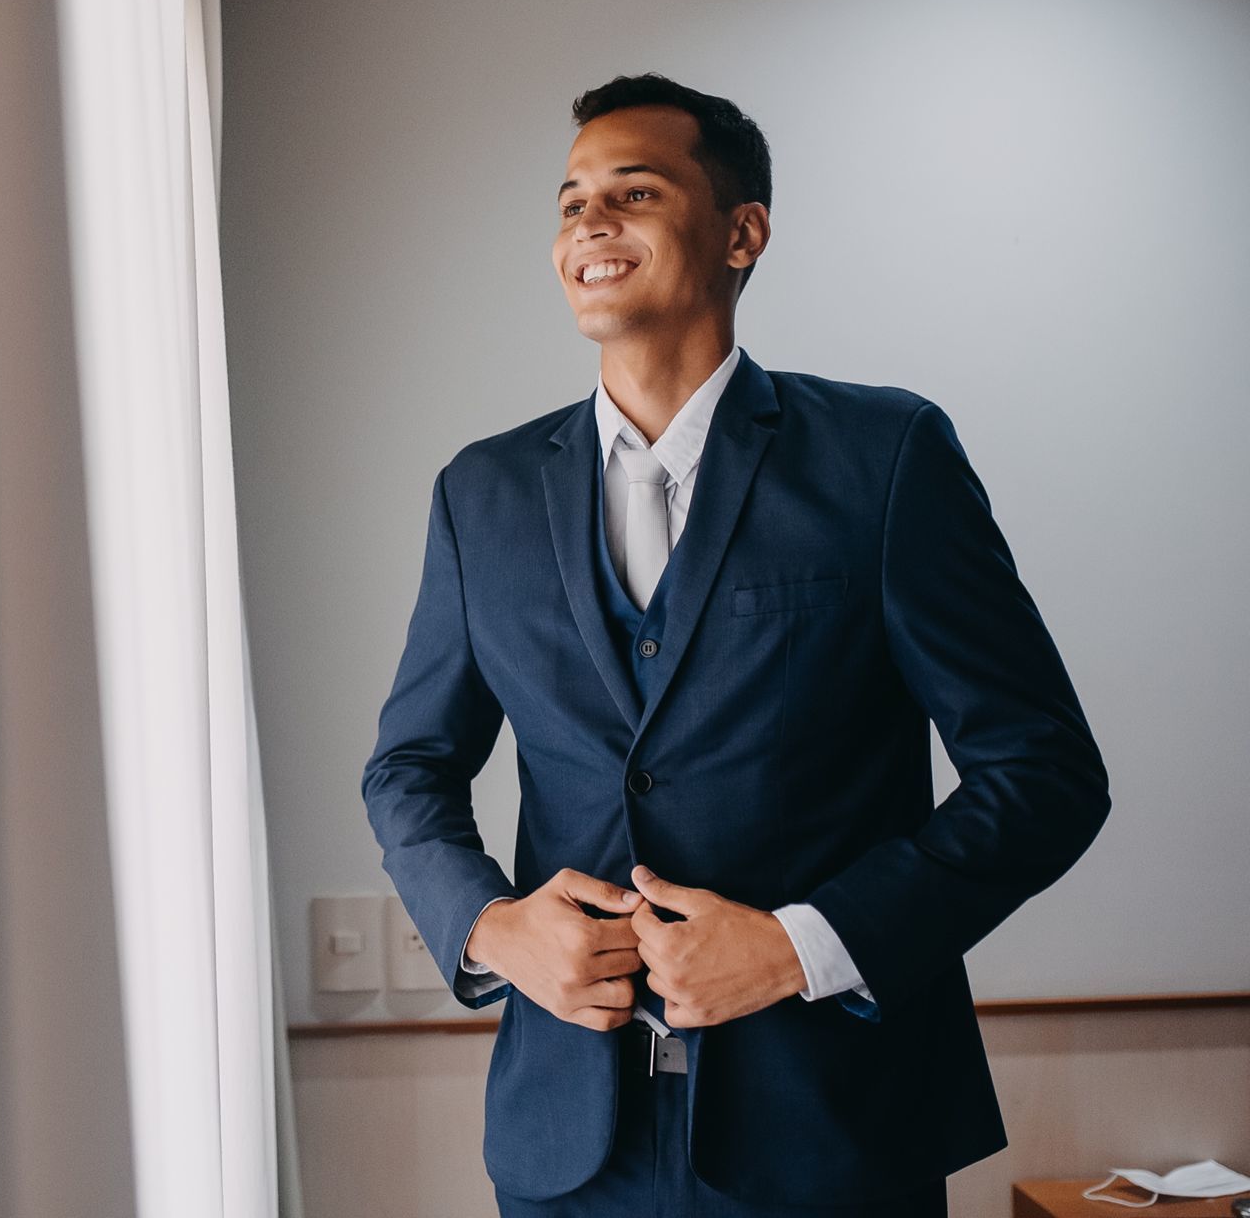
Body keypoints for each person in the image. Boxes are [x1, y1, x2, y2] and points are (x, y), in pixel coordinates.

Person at [358, 73, 1110, 1216]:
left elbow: (1047, 775)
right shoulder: (483, 494)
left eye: (636, 191)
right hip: (569, 1147)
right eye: (570, 204)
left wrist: (805, 946)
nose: (590, 223)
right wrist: (493, 926)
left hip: (833, 1134)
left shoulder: (885, 457)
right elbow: (409, 765)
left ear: (742, 232)